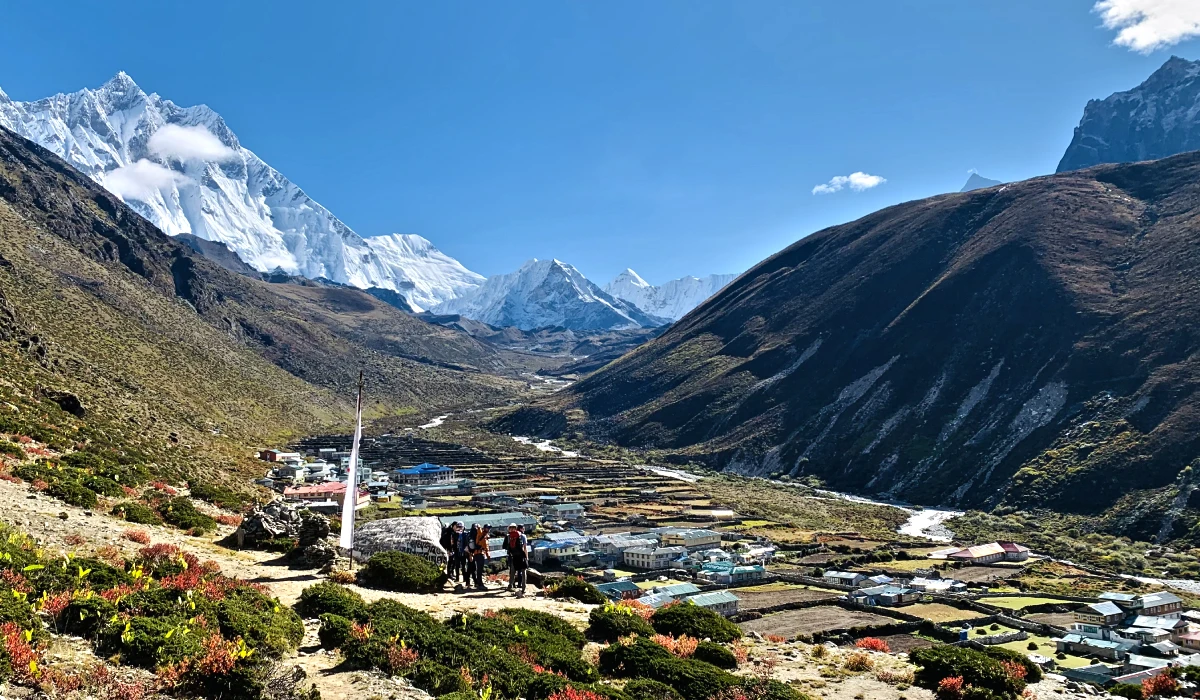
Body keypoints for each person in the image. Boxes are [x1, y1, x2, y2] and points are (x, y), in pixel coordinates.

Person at [470, 523, 491, 590]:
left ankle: (478, 583)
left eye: (489, 528)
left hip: (479, 554)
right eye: (487, 528)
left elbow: (486, 547)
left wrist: (488, 556)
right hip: (479, 554)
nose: (488, 529)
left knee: (479, 569)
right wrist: (479, 526)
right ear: (484, 528)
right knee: (479, 570)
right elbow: (486, 547)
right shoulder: (481, 534)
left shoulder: (485, 536)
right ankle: (480, 584)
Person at [511, 524, 529, 597]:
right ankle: (523, 588)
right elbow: (525, 548)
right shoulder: (523, 536)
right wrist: (526, 557)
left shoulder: (511, 535)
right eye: (523, 528)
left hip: (514, 556)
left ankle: (510, 585)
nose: (524, 529)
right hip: (521, 556)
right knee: (523, 571)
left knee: (513, 571)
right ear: (521, 529)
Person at [504, 523, 519, 591]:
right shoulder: (507, 537)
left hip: (517, 555)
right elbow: (504, 546)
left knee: (516, 570)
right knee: (512, 570)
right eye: (511, 528)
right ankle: (512, 584)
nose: (512, 529)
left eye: (514, 528)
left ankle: (514, 584)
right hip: (511, 555)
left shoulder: (518, 535)